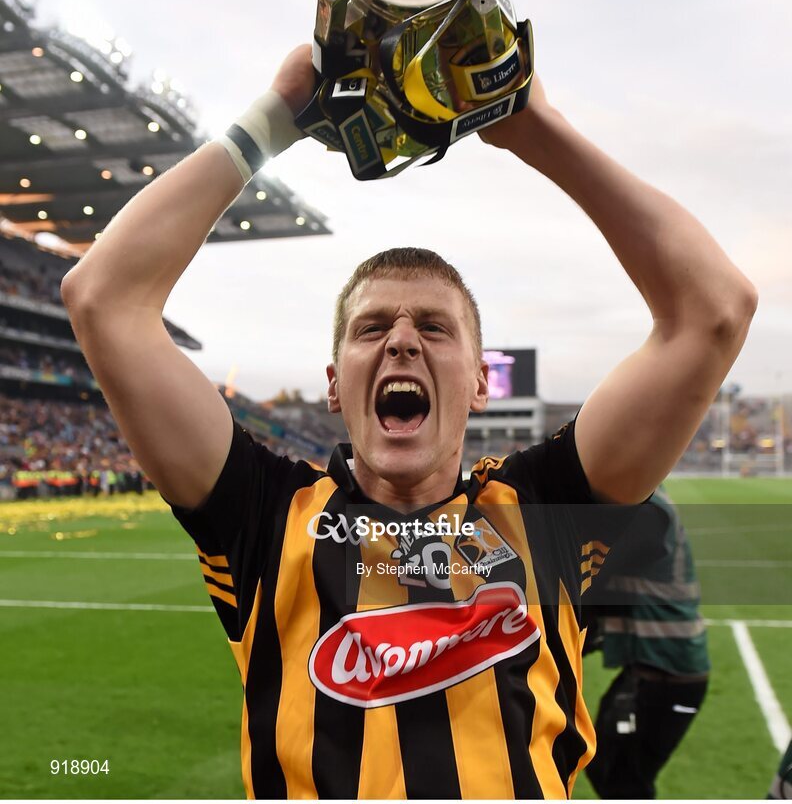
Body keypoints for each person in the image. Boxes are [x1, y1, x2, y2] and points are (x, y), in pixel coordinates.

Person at [62, 46, 756, 799]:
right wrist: (274, 118)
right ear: (334, 385)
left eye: (433, 326)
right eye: (370, 329)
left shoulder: (545, 513)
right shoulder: (265, 514)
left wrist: (531, 125)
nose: (400, 339)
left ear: (480, 384)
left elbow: (713, 311)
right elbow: (103, 298)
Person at [582, 487, 709, 798]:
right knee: (604, 766)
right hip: (650, 671)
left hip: (666, 674)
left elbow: (595, 585)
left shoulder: (647, 510)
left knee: (625, 782)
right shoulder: (641, 503)